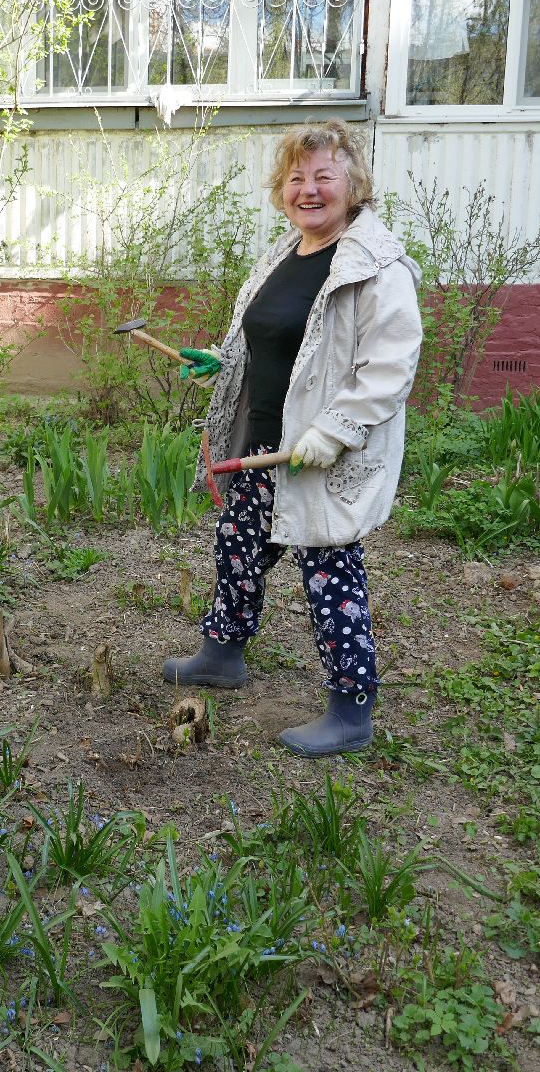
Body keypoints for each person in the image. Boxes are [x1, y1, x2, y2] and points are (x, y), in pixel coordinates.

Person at [162, 119, 423, 758]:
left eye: (323, 177)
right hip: (261, 444)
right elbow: (279, 345)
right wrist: (223, 363)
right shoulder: (284, 254)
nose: (309, 190)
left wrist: (333, 434)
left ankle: (351, 710)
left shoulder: (375, 267)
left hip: (316, 457)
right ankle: (222, 655)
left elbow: (387, 368)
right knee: (238, 553)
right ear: (282, 190)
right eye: (296, 179)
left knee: (331, 575)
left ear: (352, 186)